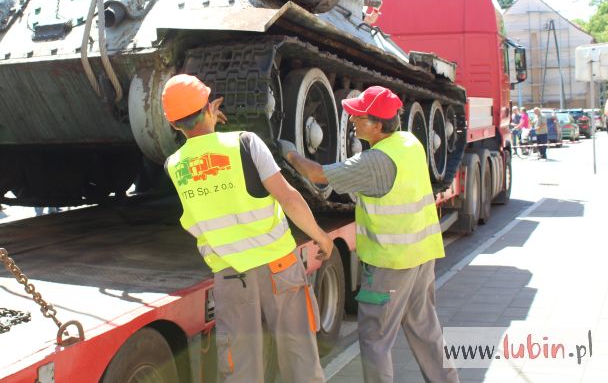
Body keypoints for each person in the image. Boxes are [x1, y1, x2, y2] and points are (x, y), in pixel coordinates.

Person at [279, 86, 459, 383]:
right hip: (422, 256)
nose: (352, 120)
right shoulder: (409, 142)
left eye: (360, 116)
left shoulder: (375, 162)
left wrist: (289, 152)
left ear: (377, 125)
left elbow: (316, 174)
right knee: (426, 330)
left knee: (375, 339)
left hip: (390, 264)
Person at [161, 74, 332, 383]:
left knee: (241, 365)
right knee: (299, 354)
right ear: (209, 108)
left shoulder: (174, 165)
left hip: (230, 274)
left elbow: (208, 169)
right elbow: (289, 198)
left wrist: (209, 128)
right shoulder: (244, 142)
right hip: (279, 266)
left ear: (174, 125)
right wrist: (321, 236)